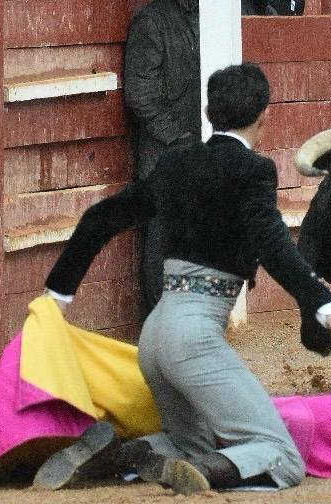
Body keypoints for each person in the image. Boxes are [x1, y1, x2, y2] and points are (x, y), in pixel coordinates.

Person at [36, 63, 331, 494]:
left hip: (154, 336)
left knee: (188, 442)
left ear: (210, 110)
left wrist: (58, 293)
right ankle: (205, 475)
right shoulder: (254, 171)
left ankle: (113, 456)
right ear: (264, 115)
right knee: (281, 456)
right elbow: (273, 246)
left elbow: (100, 218)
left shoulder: (175, 163)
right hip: (194, 338)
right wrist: (327, 307)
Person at [124, 0, 201, 323]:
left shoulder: (213, 16)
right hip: (165, 159)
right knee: (162, 245)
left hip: (200, 152)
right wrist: (178, 137)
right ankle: (160, 328)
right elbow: (139, 92)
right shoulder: (153, 22)